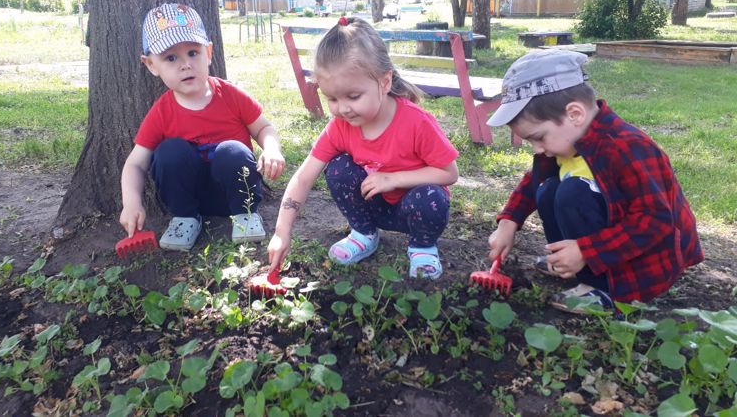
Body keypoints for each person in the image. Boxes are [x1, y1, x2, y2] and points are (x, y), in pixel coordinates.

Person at [486, 49, 703, 310]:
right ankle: (574, 265)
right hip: (608, 244)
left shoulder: (626, 148)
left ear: (574, 114)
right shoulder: (567, 141)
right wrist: (508, 222)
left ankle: (604, 288)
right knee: (548, 189)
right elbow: (533, 183)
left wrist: (587, 251)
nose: (537, 148)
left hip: (648, 262)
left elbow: (655, 222)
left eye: (538, 137)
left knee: (572, 193)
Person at [267, 17, 459, 279]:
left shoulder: (417, 123)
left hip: (415, 209)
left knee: (431, 198)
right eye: (332, 98)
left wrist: (394, 179)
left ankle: (422, 247)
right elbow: (304, 176)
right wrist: (281, 232)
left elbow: (449, 173)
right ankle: (364, 233)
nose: (342, 108)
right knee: (337, 170)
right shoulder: (341, 125)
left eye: (353, 96)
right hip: (374, 205)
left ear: (384, 82)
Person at [120, 3, 285, 251]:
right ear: (151, 65)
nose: (185, 64)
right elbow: (135, 163)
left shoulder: (230, 95)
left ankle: (246, 216)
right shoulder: (162, 111)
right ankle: (186, 220)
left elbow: (264, 128)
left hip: (236, 196)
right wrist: (131, 202)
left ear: (208, 52)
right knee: (169, 152)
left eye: (193, 53)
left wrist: (271, 149)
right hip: (188, 200)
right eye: (170, 58)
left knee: (233, 151)